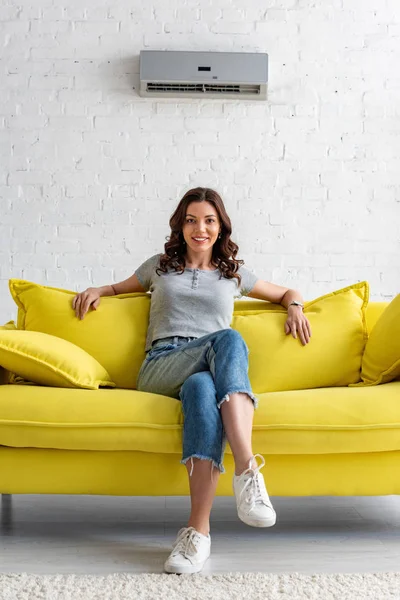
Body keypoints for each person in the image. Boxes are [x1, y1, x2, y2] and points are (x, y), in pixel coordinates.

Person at [72, 187, 312, 575]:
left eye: (209, 220)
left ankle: (197, 534)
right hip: (161, 365)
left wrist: (295, 307)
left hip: (204, 372)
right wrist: (97, 290)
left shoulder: (232, 274)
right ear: (181, 226)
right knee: (230, 338)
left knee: (203, 389)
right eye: (191, 219)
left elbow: (286, 292)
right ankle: (248, 469)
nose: (200, 228)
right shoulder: (160, 267)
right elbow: (118, 289)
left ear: (220, 228)